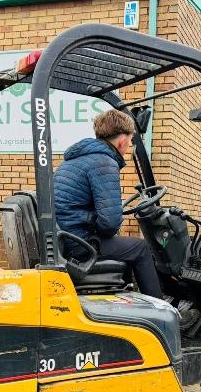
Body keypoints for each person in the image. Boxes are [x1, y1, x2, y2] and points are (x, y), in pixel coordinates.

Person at [54, 109, 163, 298]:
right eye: (130, 140)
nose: (129, 145)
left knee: (126, 246)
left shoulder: (75, 160)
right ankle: (161, 310)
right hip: (79, 243)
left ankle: (125, 296)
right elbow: (110, 223)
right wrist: (102, 223)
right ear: (122, 140)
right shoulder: (104, 163)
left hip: (65, 237)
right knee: (141, 248)